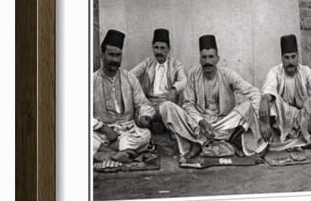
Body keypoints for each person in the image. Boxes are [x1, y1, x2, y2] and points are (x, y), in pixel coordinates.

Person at [159, 35, 268, 161]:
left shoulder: (228, 75)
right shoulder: (193, 75)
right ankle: (211, 141)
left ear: (217, 59)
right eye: (204, 57)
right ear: (200, 59)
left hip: (225, 124)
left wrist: (262, 121)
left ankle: (203, 143)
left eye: (211, 57)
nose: (207, 61)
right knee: (165, 107)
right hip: (199, 126)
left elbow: (253, 91)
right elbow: (188, 104)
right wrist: (202, 122)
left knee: (248, 105)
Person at [258, 34, 311, 154]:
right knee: (271, 100)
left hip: (303, 118)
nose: (290, 62)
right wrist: (264, 100)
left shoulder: (305, 71)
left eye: (293, 57)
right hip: (283, 118)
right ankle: (265, 145)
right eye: (286, 58)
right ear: (282, 58)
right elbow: (269, 87)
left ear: (298, 57)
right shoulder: (275, 72)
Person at [92, 29, 155, 163]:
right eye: (111, 55)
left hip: (126, 131)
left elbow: (143, 103)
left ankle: (103, 152)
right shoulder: (91, 80)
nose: (115, 59)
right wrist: (104, 128)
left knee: (146, 135)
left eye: (118, 55)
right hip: (100, 132)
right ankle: (115, 153)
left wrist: (144, 116)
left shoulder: (130, 78)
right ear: (102, 54)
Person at [130, 28, 187, 116]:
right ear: (152, 48)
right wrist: (139, 94)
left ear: (169, 49)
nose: (159, 52)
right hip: (148, 103)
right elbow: (130, 76)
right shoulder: (148, 63)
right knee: (144, 121)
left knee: (167, 113)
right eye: (156, 48)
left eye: (162, 48)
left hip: (167, 104)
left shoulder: (175, 64)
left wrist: (173, 90)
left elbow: (183, 80)